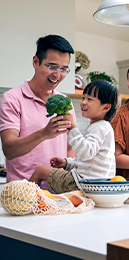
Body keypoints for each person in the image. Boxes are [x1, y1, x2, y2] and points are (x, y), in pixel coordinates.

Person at [0, 34, 76, 190]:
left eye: (63, 69)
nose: (57, 74)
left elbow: (71, 147)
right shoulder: (12, 99)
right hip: (22, 194)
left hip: (58, 193)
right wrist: (44, 134)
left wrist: (65, 169)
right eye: (52, 66)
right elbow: (9, 149)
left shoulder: (65, 103)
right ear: (36, 62)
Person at [29, 80, 119, 193]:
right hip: (93, 186)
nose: (83, 102)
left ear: (106, 107)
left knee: (40, 171)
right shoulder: (101, 127)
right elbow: (89, 163)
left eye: (89, 99)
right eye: (83, 98)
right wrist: (67, 163)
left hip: (81, 184)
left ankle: (24, 202)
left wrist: (72, 128)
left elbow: (86, 153)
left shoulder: (100, 127)